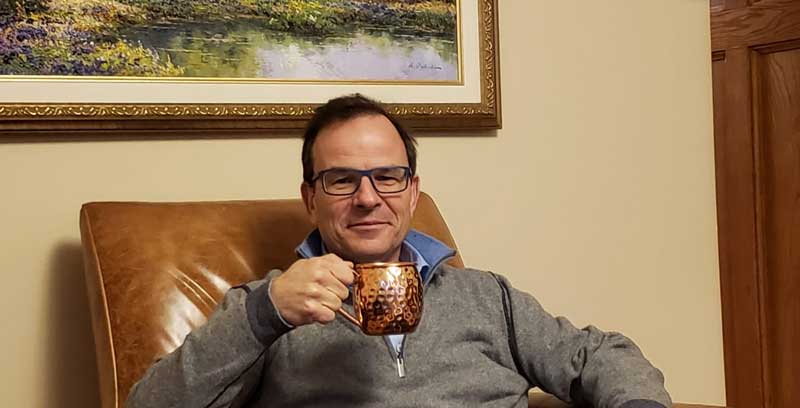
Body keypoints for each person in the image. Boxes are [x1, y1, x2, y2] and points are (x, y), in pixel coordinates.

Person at [126, 94, 672, 408]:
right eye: (342, 180)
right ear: (311, 197)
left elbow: (598, 354)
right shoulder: (268, 310)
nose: (368, 198)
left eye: (387, 177)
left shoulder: (486, 297)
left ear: (412, 192)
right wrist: (265, 313)